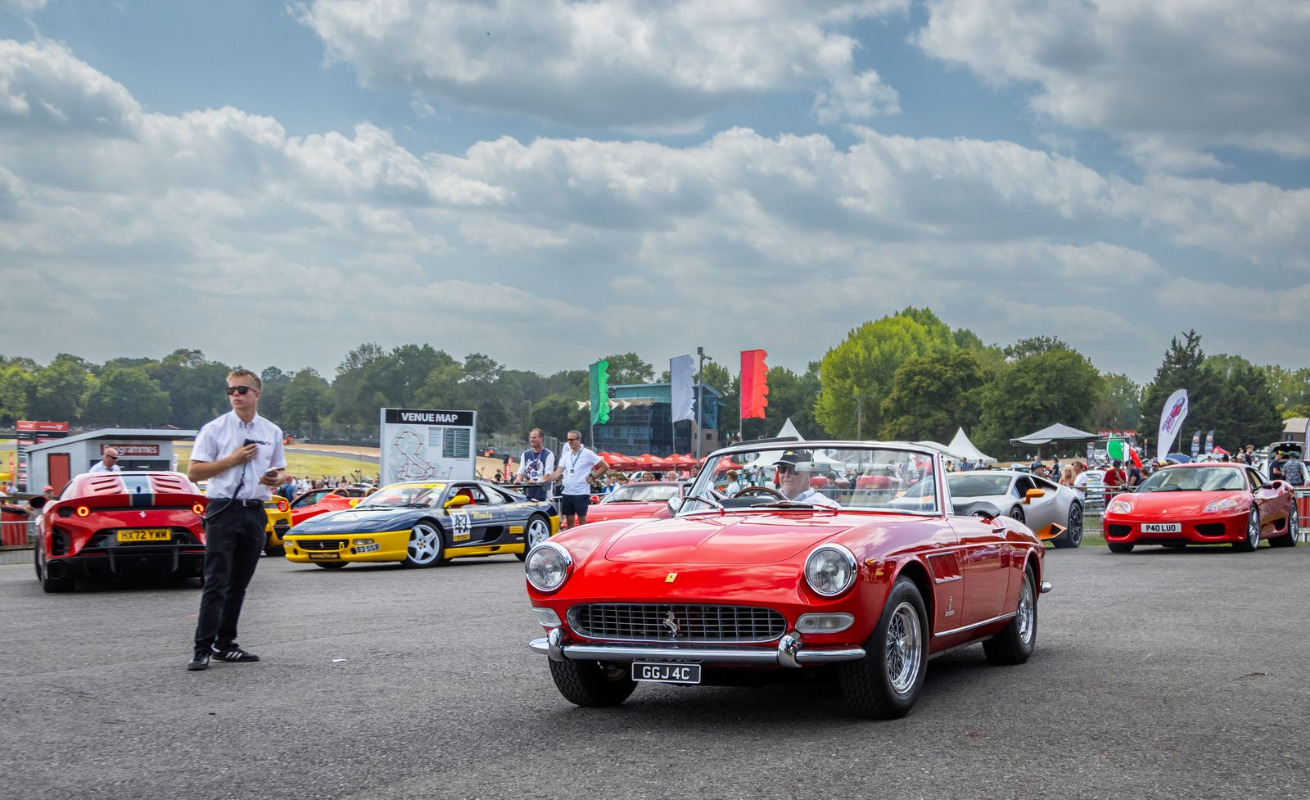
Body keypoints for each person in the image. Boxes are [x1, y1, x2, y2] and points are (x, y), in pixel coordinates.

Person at [185, 368, 286, 672]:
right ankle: (202, 648)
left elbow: (281, 470)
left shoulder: (271, 431)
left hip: (254, 510)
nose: (236, 395)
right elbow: (194, 472)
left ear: (256, 394)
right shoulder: (214, 429)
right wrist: (232, 460)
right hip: (223, 509)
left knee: (239, 583)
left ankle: (225, 644)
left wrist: (276, 478)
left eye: (242, 390)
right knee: (216, 581)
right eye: (231, 390)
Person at [542, 430, 608, 528]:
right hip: (567, 492)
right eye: (568, 440)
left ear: (579, 439)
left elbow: (605, 466)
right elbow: (558, 472)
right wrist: (545, 479)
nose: (570, 442)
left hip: (581, 492)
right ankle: (571, 537)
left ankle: (583, 536)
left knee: (582, 520)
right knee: (569, 520)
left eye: (572, 439)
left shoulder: (588, 453)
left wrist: (593, 477)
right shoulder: (566, 455)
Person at [775, 449, 840, 508]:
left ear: (810, 474)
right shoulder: (770, 500)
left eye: (794, 469)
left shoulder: (829, 507)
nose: (786, 474)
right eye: (782, 468)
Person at [515, 427, 556, 502]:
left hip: (544, 496)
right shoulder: (525, 454)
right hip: (528, 494)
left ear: (541, 439)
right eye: (531, 438)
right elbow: (521, 471)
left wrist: (537, 481)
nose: (531, 440)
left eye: (534, 437)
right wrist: (518, 480)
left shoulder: (548, 454)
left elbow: (548, 475)